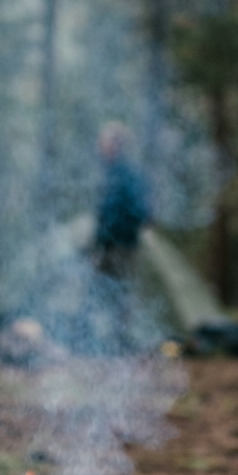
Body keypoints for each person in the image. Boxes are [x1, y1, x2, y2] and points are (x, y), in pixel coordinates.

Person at [90, 122, 151, 352]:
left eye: (106, 143)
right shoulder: (108, 173)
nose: (102, 147)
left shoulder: (128, 175)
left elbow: (141, 212)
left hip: (122, 245)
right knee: (98, 292)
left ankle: (120, 342)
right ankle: (101, 342)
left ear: (117, 144)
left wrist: (121, 228)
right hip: (106, 245)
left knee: (121, 296)